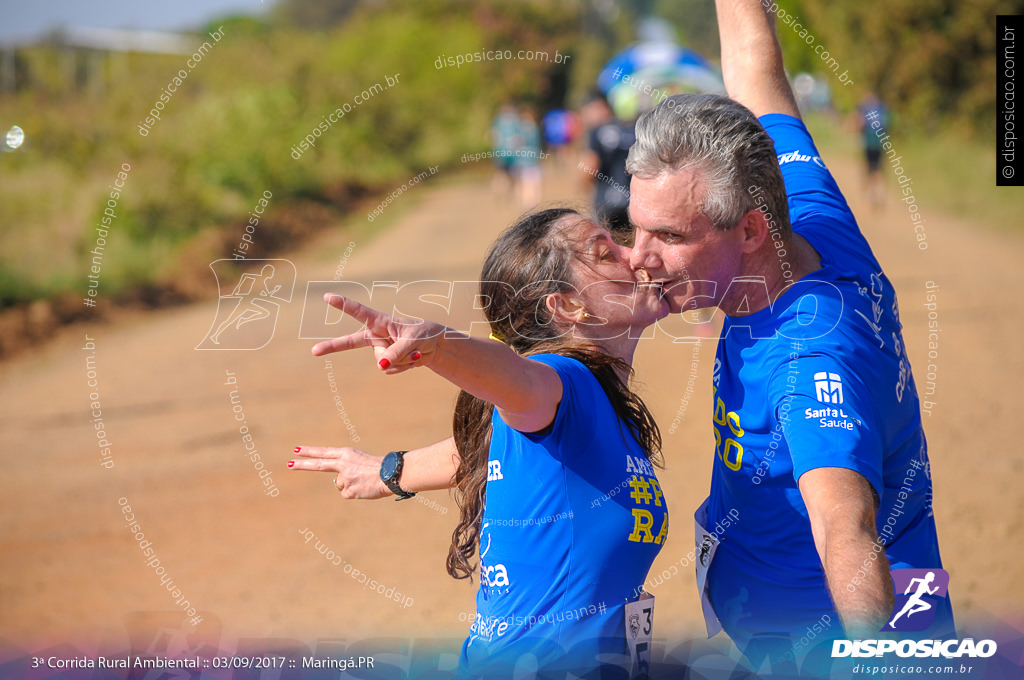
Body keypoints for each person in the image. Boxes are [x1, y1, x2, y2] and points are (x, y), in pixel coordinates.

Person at [623, 0, 952, 667]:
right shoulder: (800, 204)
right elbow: (755, 67)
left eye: (667, 236)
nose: (636, 257)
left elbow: (845, 531)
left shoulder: (809, 365)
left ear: (748, 232)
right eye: (634, 227)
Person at [290, 208, 670, 677]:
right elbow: (519, 382)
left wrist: (389, 471)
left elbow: (480, 447)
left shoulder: (588, 408)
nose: (633, 255)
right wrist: (439, 346)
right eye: (606, 252)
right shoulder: (564, 382)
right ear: (568, 306)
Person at [580, 93, 635, 237]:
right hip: (633, 202)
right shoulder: (636, 128)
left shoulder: (597, 130)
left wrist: (584, 184)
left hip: (605, 203)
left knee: (609, 250)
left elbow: (591, 166)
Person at [857, 93, 888, 210]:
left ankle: (871, 196)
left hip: (869, 144)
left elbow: (860, 124)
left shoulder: (865, 110)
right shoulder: (882, 109)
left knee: (869, 170)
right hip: (879, 144)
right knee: (878, 170)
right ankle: (877, 195)